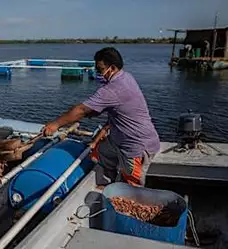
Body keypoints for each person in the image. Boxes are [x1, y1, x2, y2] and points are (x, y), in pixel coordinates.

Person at [41, 47, 160, 187]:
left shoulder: (114, 88)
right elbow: (111, 108)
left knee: (131, 187)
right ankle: (106, 184)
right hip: (119, 140)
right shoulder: (126, 77)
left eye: (100, 69)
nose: (97, 73)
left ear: (113, 67)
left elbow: (81, 109)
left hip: (134, 145)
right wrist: (93, 113)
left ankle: (125, 195)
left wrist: (55, 124)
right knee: (102, 152)